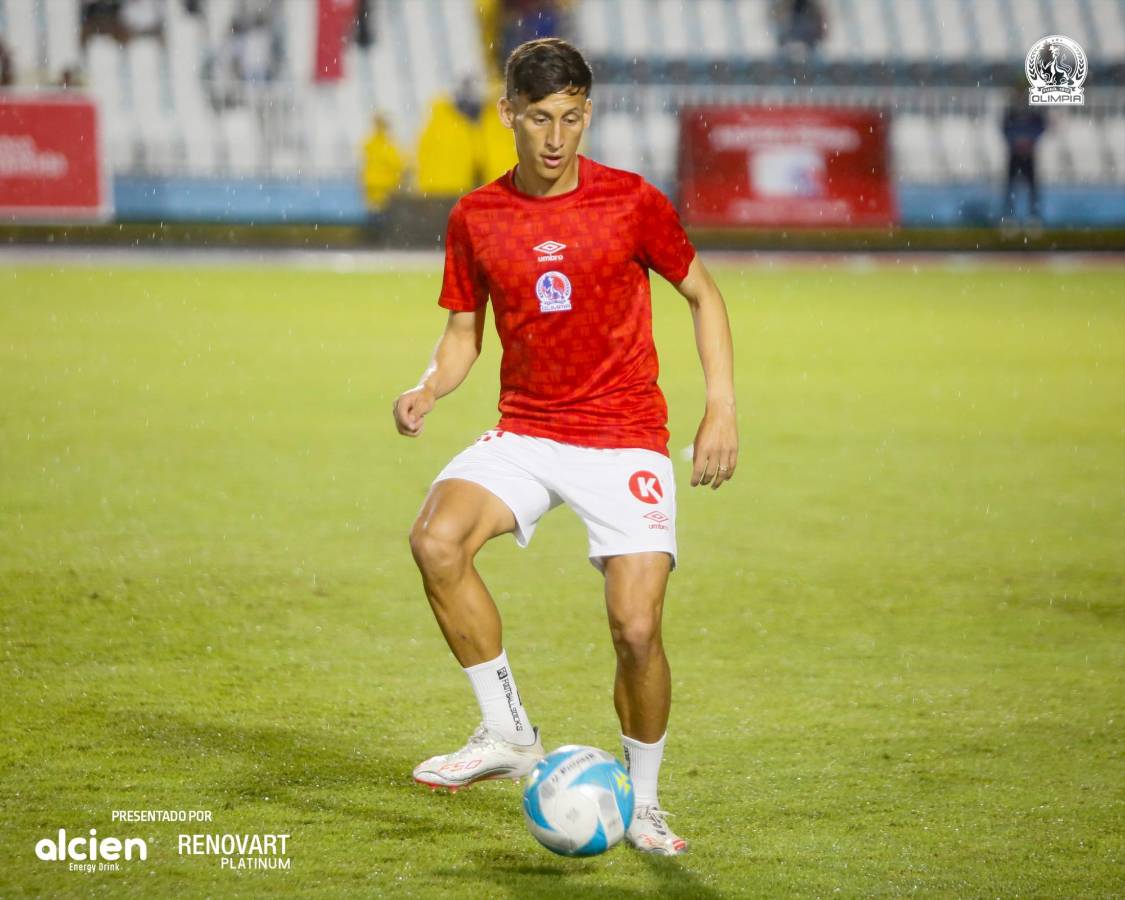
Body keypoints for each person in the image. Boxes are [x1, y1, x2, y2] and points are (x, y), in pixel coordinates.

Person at [392, 38, 737, 856]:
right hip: (528, 430)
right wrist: (429, 387)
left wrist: (719, 409)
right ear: (508, 112)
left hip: (624, 438)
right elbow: (463, 332)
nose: (556, 138)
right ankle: (507, 731)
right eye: (540, 117)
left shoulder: (630, 201)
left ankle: (644, 805)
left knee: (635, 630)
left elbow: (702, 294)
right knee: (436, 540)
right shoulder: (476, 216)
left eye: (572, 118)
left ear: (588, 114)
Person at [1001, 88, 1047, 235]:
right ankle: (1009, 219)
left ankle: (1033, 219)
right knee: (1010, 188)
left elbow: (1040, 128)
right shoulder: (1011, 113)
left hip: (1028, 156)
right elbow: (1005, 129)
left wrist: (1028, 142)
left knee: (1032, 188)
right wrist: (1017, 142)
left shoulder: (1033, 114)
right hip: (1015, 155)